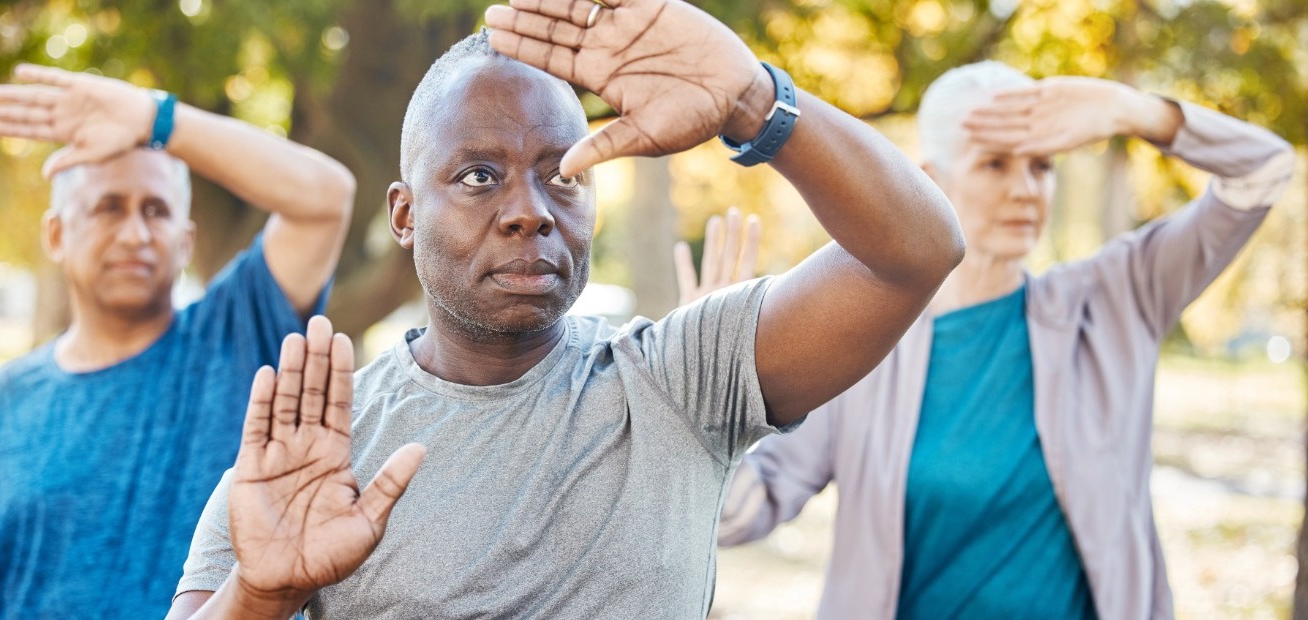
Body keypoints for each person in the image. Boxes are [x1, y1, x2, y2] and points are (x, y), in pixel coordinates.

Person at [168, 0, 965, 617]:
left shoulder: (679, 380)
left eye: (565, 174)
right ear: (404, 215)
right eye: (480, 175)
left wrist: (756, 101)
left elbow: (918, 251)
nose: (531, 210)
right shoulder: (318, 450)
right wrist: (262, 598)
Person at [717, 61, 1296, 619]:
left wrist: (1136, 111)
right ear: (930, 182)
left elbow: (1263, 170)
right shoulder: (864, 344)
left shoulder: (1116, 298)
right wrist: (715, 380)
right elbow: (738, 515)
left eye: (1041, 165)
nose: (1026, 189)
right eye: (995, 164)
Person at [0, 64, 355, 618]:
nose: (135, 233)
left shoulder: (237, 331)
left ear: (185, 240)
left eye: (156, 209)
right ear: (55, 234)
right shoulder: (0, 406)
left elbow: (327, 197)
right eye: (108, 207)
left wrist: (156, 117)